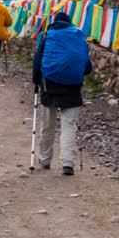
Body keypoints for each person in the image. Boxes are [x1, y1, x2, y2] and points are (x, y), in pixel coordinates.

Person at [32, 10, 87, 173]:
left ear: (54, 23)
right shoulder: (78, 37)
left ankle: (45, 160)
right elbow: (87, 65)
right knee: (69, 126)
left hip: (50, 85)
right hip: (73, 87)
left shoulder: (47, 36)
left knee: (47, 124)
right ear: (70, 24)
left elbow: (37, 62)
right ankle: (67, 164)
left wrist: (36, 81)